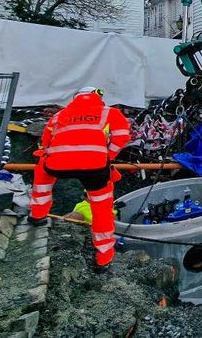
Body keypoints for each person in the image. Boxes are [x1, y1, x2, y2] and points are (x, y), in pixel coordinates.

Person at [28, 87, 130, 273]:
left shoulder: (60, 115)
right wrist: (108, 155)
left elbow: (46, 142)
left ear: (75, 99)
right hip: (95, 168)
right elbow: (123, 136)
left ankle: (37, 215)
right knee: (102, 209)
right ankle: (104, 258)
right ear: (98, 97)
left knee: (42, 170)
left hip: (57, 164)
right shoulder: (109, 112)